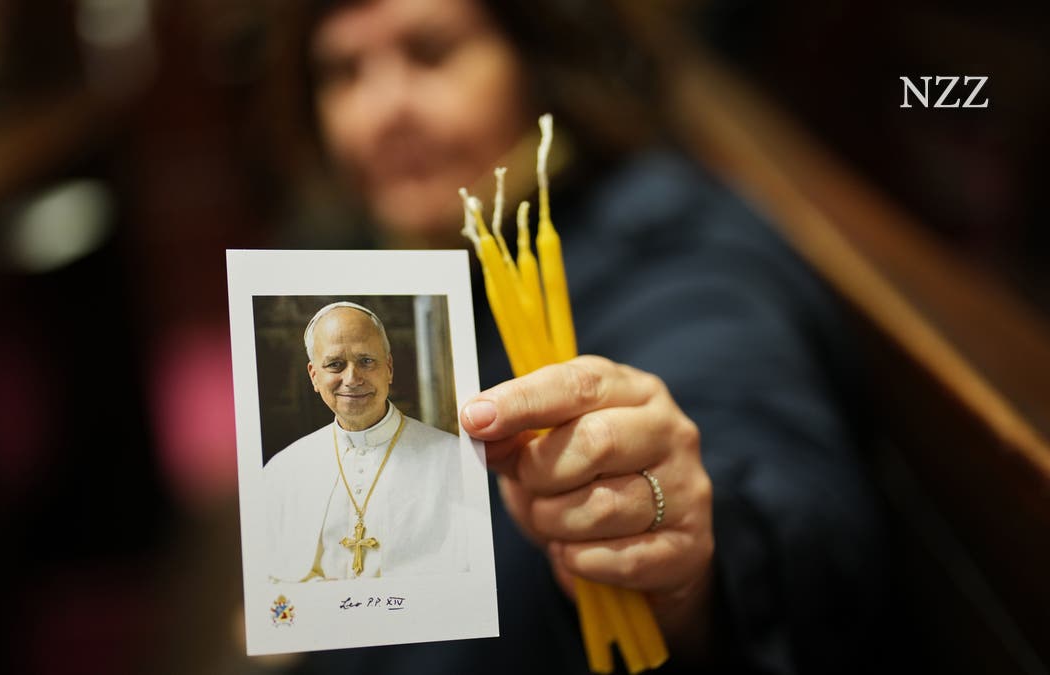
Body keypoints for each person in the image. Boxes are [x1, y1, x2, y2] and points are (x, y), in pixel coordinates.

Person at [273, 0, 891, 671]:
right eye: (341, 71)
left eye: (431, 51)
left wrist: (686, 554)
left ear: (538, 59)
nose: (382, 108)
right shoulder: (383, 258)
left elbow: (774, 473)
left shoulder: (670, 247)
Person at [262, 301, 466, 581]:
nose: (352, 378)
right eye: (335, 364)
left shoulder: (454, 460)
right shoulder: (281, 470)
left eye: (366, 361)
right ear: (314, 376)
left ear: (389, 368)